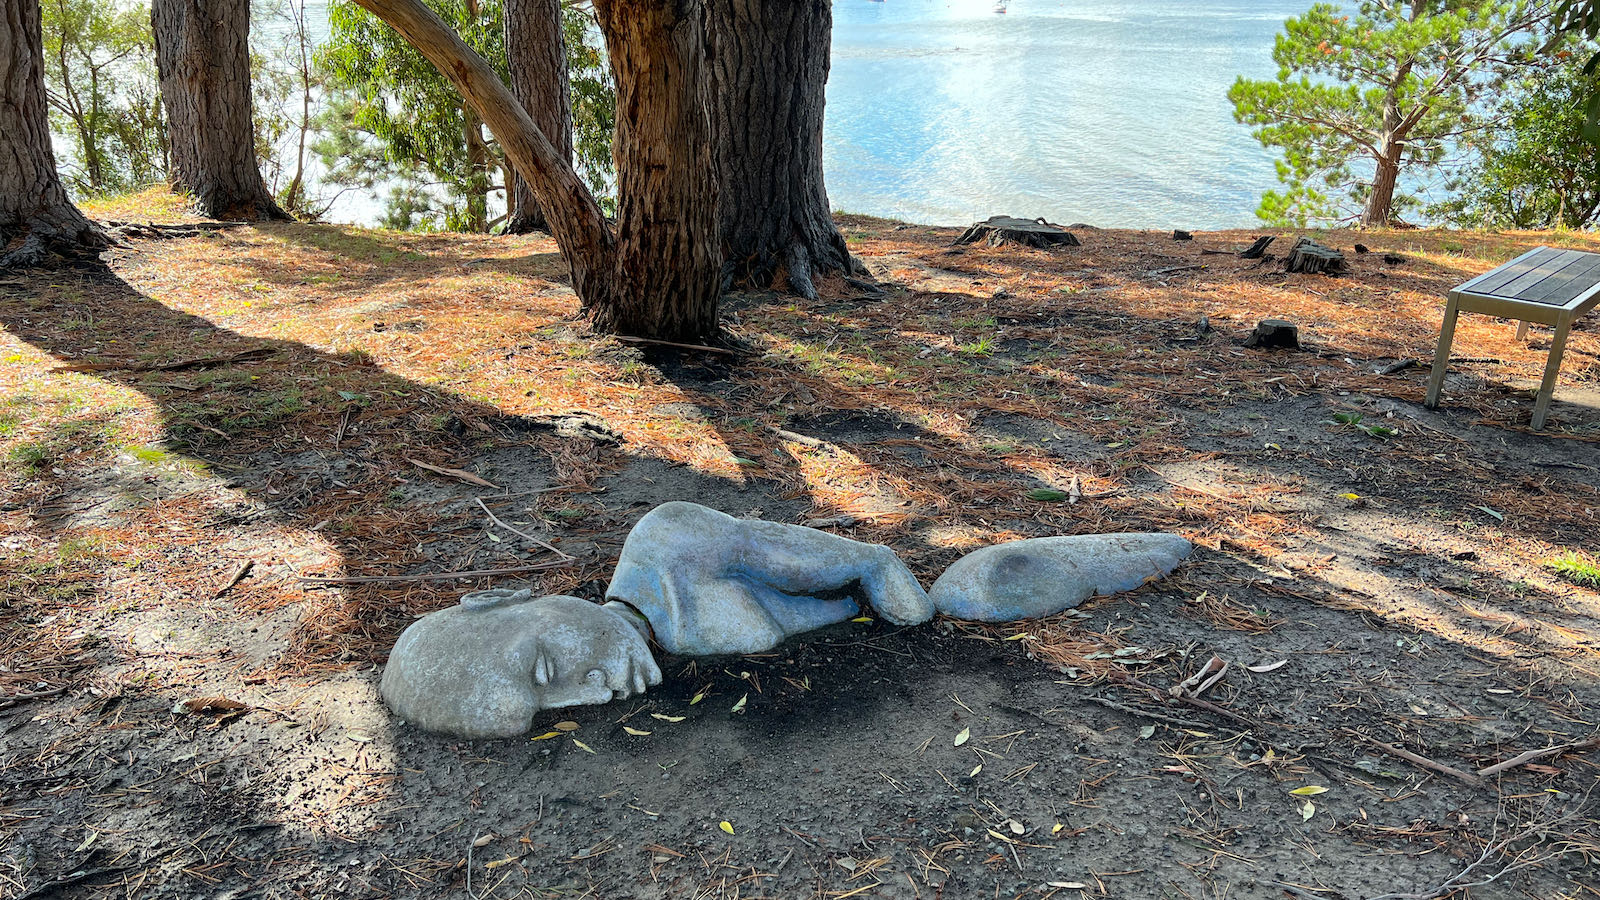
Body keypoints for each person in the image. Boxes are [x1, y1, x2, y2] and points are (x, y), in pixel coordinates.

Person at [605, 501, 934, 656]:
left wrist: (872, 563)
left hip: (683, 541)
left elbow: (756, 629)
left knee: (776, 561)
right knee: (769, 577)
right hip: (672, 562)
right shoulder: (681, 626)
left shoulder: (668, 546)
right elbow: (757, 631)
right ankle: (852, 592)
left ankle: (873, 563)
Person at [380, 590, 661, 739]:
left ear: (500, 597)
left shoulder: (671, 539)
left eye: (544, 669)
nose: (598, 694)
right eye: (545, 706)